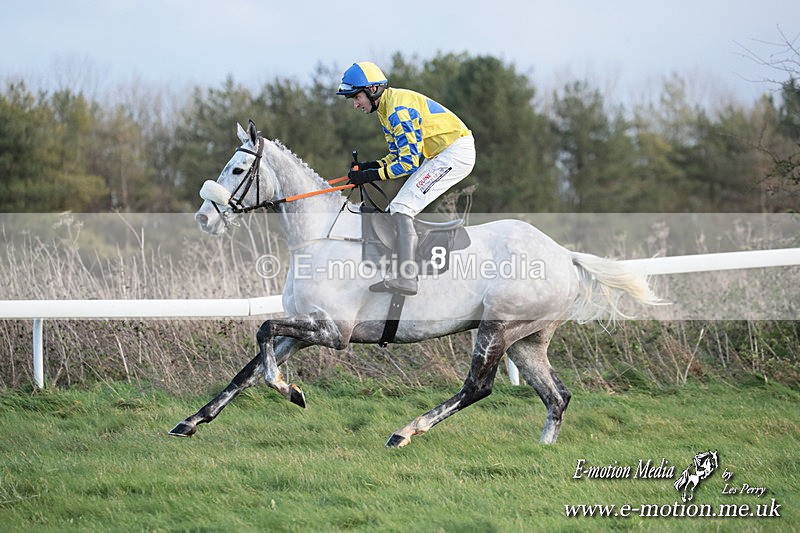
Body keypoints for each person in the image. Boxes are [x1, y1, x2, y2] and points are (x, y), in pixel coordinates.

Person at [336, 61, 476, 296]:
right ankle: (396, 270)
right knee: (395, 209)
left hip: (455, 153)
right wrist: (370, 166)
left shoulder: (398, 111)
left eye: (356, 97)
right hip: (441, 153)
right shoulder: (385, 108)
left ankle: (407, 276)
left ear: (372, 90)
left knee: (402, 208)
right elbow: (396, 156)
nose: (355, 105)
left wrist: (370, 174)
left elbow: (408, 164)